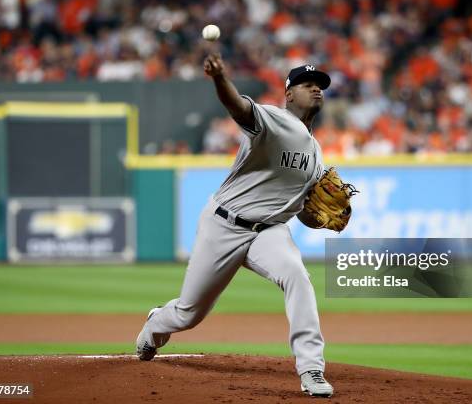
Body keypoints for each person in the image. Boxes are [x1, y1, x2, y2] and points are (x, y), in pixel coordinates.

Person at [136, 53, 334, 397]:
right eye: (307, 85)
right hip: (224, 224)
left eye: (320, 86)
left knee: (297, 275)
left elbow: (303, 211)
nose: (316, 90)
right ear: (288, 94)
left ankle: (311, 369)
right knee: (190, 313)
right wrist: (218, 78)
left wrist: (314, 216)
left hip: (269, 232)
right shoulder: (273, 120)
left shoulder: (316, 154)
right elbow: (238, 107)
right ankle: (156, 324)